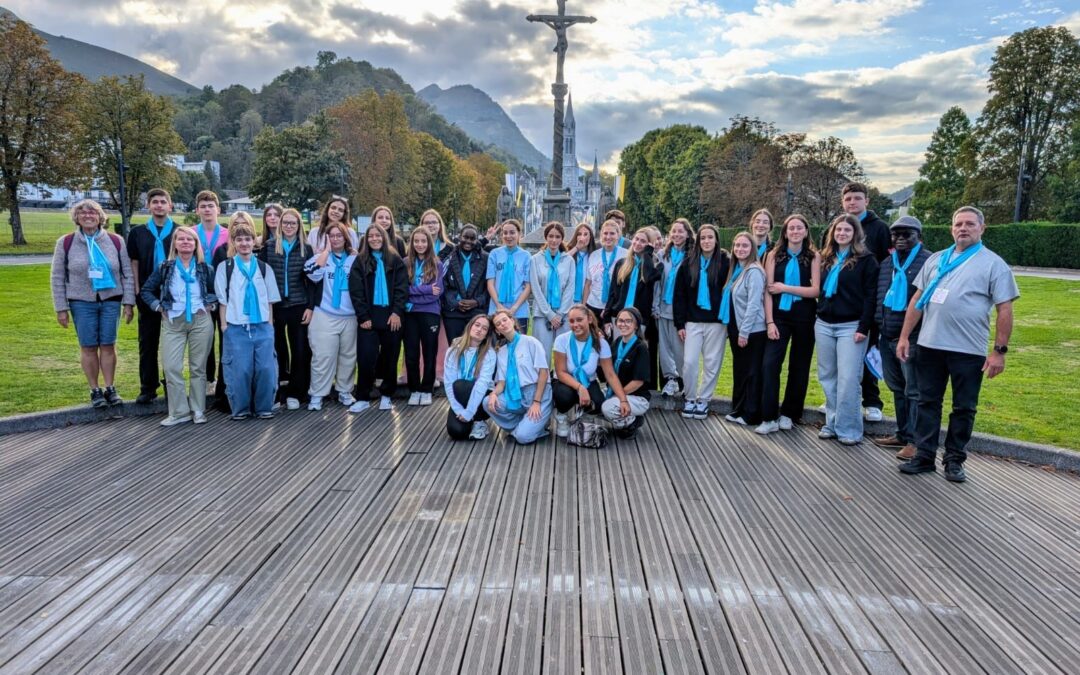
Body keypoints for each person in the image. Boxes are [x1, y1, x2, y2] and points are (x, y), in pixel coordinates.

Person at [897, 206, 1018, 483]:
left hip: (968, 350)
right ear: (951, 228)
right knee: (927, 402)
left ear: (982, 228)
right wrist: (905, 336)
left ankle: (954, 460)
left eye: (970, 224)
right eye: (958, 224)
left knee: (964, 407)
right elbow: (917, 299)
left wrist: (999, 351)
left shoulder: (993, 264)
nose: (963, 228)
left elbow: (1005, 309)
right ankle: (924, 456)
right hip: (930, 345)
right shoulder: (937, 259)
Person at [50, 199, 135, 408]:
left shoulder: (116, 241)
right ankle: (95, 390)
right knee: (88, 346)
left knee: (108, 344)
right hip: (81, 301)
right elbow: (57, 277)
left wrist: (129, 302)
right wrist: (61, 308)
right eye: (83, 213)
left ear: (100, 218)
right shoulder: (66, 243)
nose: (88, 216)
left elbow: (127, 273)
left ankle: (110, 388)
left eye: (93, 213)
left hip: (110, 300)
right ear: (77, 218)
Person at [139, 226, 217, 425]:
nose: (185, 242)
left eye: (189, 239)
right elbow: (147, 290)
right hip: (173, 320)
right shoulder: (165, 268)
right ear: (174, 243)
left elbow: (217, 291)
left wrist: (210, 304)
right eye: (181, 239)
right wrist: (158, 307)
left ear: (196, 244)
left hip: (200, 320)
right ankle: (179, 412)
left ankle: (198, 409)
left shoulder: (204, 267)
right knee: (172, 366)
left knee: (198, 367)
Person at [815, 215, 879, 445]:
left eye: (847, 230)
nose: (842, 233)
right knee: (828, 377)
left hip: (851, 326)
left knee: (849, 379)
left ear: (855, 233)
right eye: (838, 229)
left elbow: (871, 297)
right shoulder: (825, 259)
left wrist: (864, 326)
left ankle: (849, 429)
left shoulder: (866, 260)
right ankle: (831, 423)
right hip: (823, 324)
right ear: (832, 232)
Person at [873, 215, 931, 459]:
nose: (900, 239)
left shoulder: (928, 262)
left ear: (919, 236)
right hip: (887, 335)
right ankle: (902, 432)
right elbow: (879, 296)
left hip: (912, 337)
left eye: (907, 234)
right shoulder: (887, 263)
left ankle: (916, 442)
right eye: (896, 234)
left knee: (914, 391)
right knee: (897, 388)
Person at [757, 214, 821, 435]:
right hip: (779, 317)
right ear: (785, 232)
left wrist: (785, 288)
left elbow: (815, 291)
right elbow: (768, 290)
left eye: (799, 228)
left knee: (799, 366)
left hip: (804, 316)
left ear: (805, 231)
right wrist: (769, 321)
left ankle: (790, 414)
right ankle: (768, 416)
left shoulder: (814, 256)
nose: (795, 231)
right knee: (770, 365)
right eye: (790, 228)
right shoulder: (774, 255)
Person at [214, 215, 281, 420]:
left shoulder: (263, 268)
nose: (244, 244)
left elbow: (270, 298)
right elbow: (223, 300)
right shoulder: (226, 268)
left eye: (248, 239)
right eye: (239, 240)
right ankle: (241, 409)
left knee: (265, 369)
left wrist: (269, 324)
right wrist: (224, 325)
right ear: (233, 242)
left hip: (261, 324)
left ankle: (264, 407)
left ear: (254, 242)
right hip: (236, 325)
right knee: (240, 370)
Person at [840, 182, 891, 423]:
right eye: (848, 199)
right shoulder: (837, 227)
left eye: (857, 198)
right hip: (843, 303)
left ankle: (872, 401)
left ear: (866, 201)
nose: (852, 202)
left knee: (868, 353)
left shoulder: (880, 229)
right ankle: (843, 397)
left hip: (869, 302)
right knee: (844, 357)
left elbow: (887, 265)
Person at [349, 223, 408, 412]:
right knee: (366, 358)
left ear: (384, 237)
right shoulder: (360, 260)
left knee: (391, 358)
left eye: (378, 236)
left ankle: (387, 395)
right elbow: (356, 291)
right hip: (369, 317)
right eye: (371, 236)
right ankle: (363, 397)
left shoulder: (395, 260)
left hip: (391, 316)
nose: (374, 239)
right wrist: (363, 316)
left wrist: (397, 312)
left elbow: (402, 287)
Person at [673, 224, 729, 420]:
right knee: (689, 362)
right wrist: (680, 324)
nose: (706, 241)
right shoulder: (689, 263)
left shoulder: (724, 262)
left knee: (712, 362)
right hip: (693, 321)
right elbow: (678, 295)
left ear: (716, 240)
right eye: (703, 238)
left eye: (710, 238)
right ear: (698, 241)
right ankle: (689, 397)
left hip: (716, 322)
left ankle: (704, 400)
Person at [127, 188, 176, 404]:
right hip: (147, 295)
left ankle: (171, 385)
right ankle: (148, 387)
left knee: (172, 345)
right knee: (147, 343)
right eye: (154, 202)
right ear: (148, 205)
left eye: (163, 202)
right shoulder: (138, 233)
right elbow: (133, 263)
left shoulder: (179, 231)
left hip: (173, 297)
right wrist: (137, 290)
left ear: (170, 206)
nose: (159, 205)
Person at [550, 305, 630, 437]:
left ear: (589, 319)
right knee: (564, 396)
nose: (575, 324)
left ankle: (582, 414)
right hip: (566, 381)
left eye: (579, 320)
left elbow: (610, 374)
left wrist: (623, 399)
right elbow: (561, 372)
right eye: (571, 321)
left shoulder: (600, 343)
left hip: (588, 380)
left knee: (599, 404)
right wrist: (580, 388)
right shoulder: (562, 340)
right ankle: (561, 414)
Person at [260, 207, 311, 410]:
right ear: (280, 225)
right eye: (286, 223)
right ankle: (279, 391)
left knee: (300, 350)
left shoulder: (306, 249)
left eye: (293, 223)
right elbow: (261, 278)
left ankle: (297, 393)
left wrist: (311, 307)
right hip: (277, 306)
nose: (289, 226)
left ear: (299, 226)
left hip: (299, 305)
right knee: (278, 350)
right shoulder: (270, 247)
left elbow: (313, 281)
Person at [304, 221, 358, 411]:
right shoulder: (320, 258)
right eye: (332, 236)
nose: (336, 239)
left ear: (346, 238)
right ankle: (317, 394)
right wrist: (325, 251)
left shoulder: (354, 259)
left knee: (348, 356)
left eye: (339, 235)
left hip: (350, 315)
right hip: (325, 314)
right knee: (323, 357)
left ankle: (344, 391)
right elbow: (312, 274)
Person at [483, 309, 553, 444]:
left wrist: (537, 402)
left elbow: (543, 373)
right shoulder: (501, 352)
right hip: (515, 395)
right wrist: (493, 394)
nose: (502, 324)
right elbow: (502, 382)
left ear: (512, 321)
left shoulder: (530, 342)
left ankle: (532, 427)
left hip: (537, 392)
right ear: (497, 331)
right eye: (498, 324)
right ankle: (527, 425)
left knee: (522, 438)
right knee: (487, 402)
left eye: (504, 320)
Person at [720, 232, 767, 427]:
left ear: (752, 249)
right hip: (736, 326)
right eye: (737, 245)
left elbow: (754, 304)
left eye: (745, 246)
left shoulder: (754, 271)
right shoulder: (737, 269)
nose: (740, 249)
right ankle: (738, 408)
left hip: (752, 330)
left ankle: (751, 413)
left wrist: (744, 332)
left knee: (752, 372)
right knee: (740, 371)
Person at [193, 190, 229, 401]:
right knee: (205, 338)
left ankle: (224, 379)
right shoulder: (189, 232)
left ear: (218, 209)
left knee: (225, 336)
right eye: (203, 206)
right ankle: (208, 380)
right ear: (197, 210)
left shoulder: (227, 234)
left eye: (211, 206)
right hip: (199, 294)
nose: (207, 210)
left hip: (223, 294)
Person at [403, 228, 445, 406]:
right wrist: (426, 289)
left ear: (429, 243)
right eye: (416, 241)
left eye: (423, 241)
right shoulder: (405, 263)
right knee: (411, 353)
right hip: (410, 313)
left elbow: (437, 293)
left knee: (429, 352)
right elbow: (402, 290)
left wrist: (415, 294)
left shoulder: (437, 264)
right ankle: (414, 389)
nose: (420, 244)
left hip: (430, 313)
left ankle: (427, 388)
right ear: (412, 243)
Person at [656, 218, 694, 398]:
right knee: (665, 349)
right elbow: (658, 282)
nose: (677, 235)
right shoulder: (663, 255)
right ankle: (671, 380)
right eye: (674, 231)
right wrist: (655, 305)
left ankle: (687, 383)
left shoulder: (693, 256)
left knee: (681, 351)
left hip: (680, 312)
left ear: (687, 234)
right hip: (663, 308)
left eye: (681, 231)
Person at [444, 314, 496, 440]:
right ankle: (470, 421)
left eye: (484, 328)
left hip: (482, 396)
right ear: (470, 327)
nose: (479, 330)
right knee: (456, 432)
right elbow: (448, 382)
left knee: (461, 385)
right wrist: (458, 409)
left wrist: (469, 412)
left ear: (486, 334)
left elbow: (482, 384)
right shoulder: (453, 350)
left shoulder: (489, 353)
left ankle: (479, 421)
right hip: (459, 398)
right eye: (477, 325)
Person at [602, 307, 652, 437]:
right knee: (595, 401)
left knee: (607, 407)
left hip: (636, 396)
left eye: (628, 321)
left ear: (636, 325)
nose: (623, 324)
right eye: (620, 321)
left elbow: (638, 382)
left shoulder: (641, 348)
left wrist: (618, 395)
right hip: (616, 392)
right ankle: (624, 418)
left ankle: (632, 422)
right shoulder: (617, 342)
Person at [529, 221, 576, 356]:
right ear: (546, 237)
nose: (554, 240)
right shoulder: (536, 260)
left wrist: (560, 314)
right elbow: (536, 289)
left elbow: (570, 288)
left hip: (563, 313)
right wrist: (549, 314)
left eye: (557, 237)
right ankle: (544, 377)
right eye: (551, 236)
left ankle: (560, 377)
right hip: (542, 313)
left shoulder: (569, 261)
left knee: (564, 352)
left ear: (562, 239)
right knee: (542, 352)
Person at [605, 229, 661, 337]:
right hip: (619, 315)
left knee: (634, 351)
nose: (638, 243)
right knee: (618, 351)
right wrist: (607, 317)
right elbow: (612, 292)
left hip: (639, 318)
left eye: (643, 241)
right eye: (636, 239)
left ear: (650, 244)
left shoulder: (656, 266)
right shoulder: (622, 263)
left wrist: (648, 252)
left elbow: (648, 277)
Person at [441, 224, 490, 343]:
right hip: (453, 313)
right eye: (465, 237)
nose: (468, 241)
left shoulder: (486, 258)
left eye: (472, 238)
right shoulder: (449, 257)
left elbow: (489, 287)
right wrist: (455, 302)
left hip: (477, 312)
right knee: (455, 347)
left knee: (476, 348)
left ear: (477, 240)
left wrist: (477, 302)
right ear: (459, 237)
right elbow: (444, 284)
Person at [486, 219, 532, 333]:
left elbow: (528, 286)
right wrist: (499, 306)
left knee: (519, 346)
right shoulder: (494, 254)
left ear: (519, 234)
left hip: (519, 310)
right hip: (496, 309)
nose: (508, 236)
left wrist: (514, 308)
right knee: (496, 346)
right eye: (505, 233)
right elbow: (490, 283)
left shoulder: (526, 256)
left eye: (512, 232)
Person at [583, 219, 627, 326]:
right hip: (593, 305)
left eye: (612, 233)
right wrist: (584, 306)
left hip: (614, 306)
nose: (608, 237)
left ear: (618, 235)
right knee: (594, 339)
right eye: (605, 233)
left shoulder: (625, 255)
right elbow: (588, 283)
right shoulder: (594, 255)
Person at [568, 222, 596, 305]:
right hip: (569, 299)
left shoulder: (594, 256)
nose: (582, 237)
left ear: (590, 237)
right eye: (579, 234)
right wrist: (576, 248)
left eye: (586, 234)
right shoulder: (570, 254)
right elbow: (562, 262)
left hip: (588, 299)